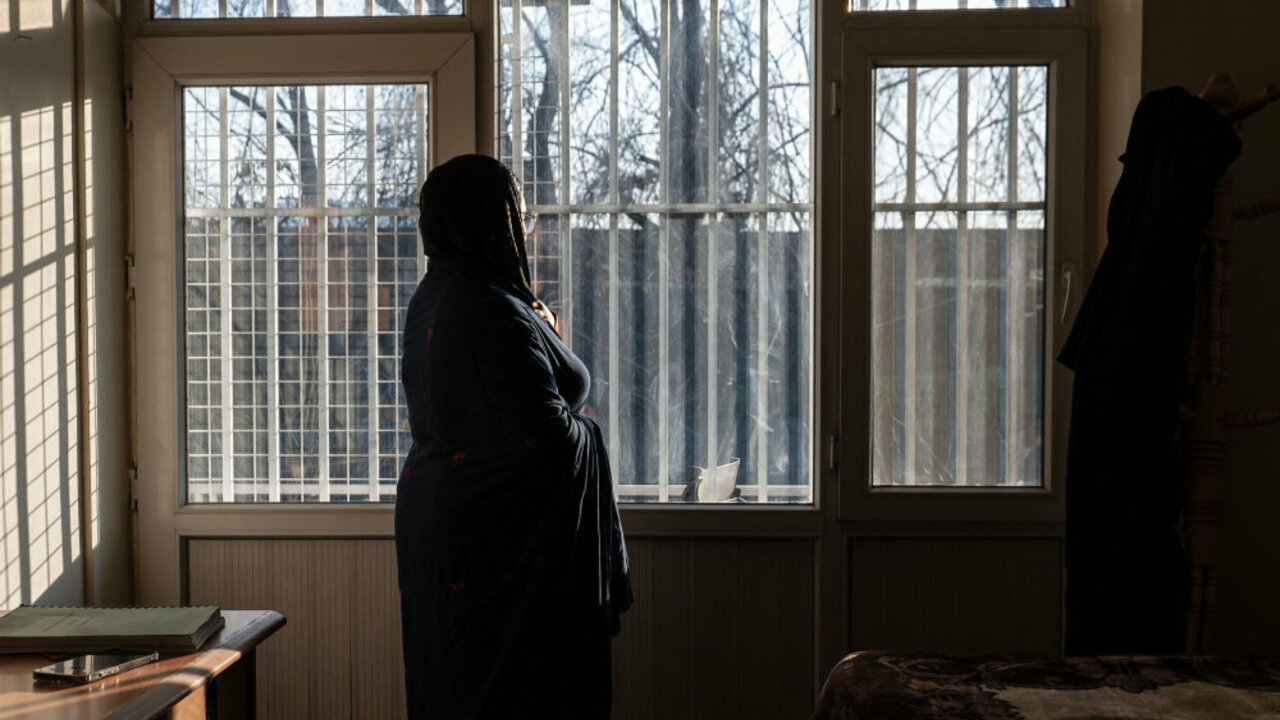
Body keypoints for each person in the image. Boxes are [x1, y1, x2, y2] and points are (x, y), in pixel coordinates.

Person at [395, 154, 631, 719]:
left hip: (452, 534)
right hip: (497, 554)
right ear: (488, 222)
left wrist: (543, 333)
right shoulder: (484, 307)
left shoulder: (439, 296)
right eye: (518, 217)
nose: (526, 230)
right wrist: (585, 422)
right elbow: (548, 444)